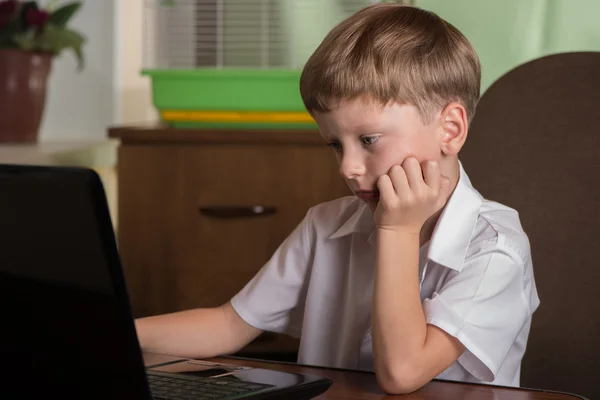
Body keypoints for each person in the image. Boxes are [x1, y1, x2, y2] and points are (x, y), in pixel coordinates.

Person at [135, 4, 540, 394]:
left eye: (368, 140)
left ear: (449, 130)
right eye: (334, 143)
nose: (347, 167)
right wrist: (102, 330)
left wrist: (397, 230)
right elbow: (229, 325)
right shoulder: (325, 225)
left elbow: (402, 373)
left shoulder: (496, 250)